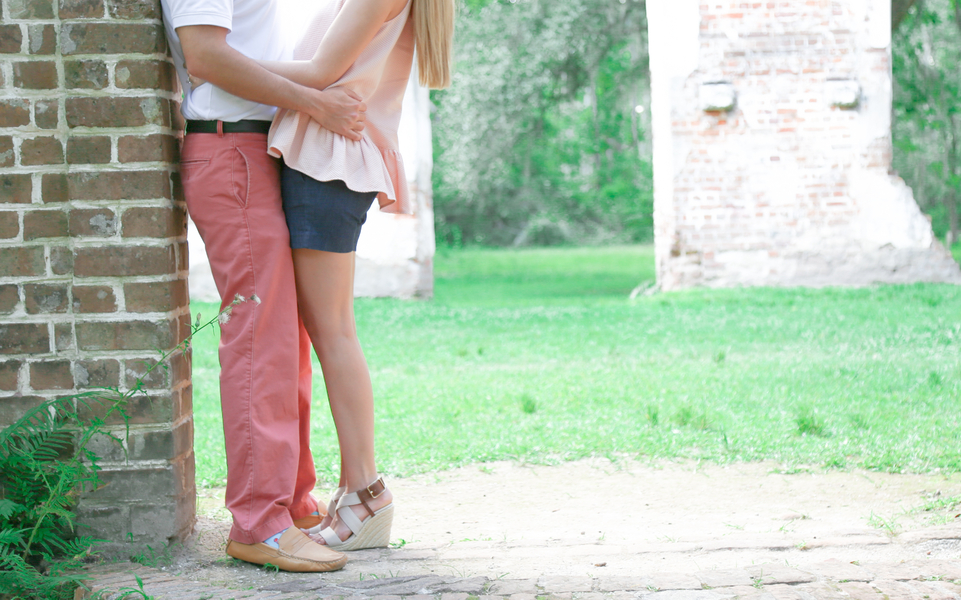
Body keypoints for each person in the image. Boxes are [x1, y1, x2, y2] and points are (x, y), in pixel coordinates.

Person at [159, 0, 368, 573]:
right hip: (231, 151)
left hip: (253, 147)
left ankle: (291, 502)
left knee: (286, 334)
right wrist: (315, 101)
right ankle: (258, 523)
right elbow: (204, 55)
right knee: (261, 338)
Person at [245, 0, 455, 550]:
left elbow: (318, 74)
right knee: (331, 332)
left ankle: (367, 491)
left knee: (334, 332)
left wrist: (221, 63)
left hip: (327, 163)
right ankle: (355, 490)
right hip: (328, 158)